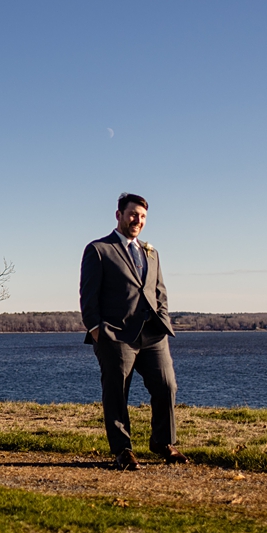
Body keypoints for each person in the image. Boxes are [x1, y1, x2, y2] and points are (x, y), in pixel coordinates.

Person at [79, 193, 187, 470]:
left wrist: (163, 319)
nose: (138, 220)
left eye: (143, 217)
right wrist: (96, 331)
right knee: (117, 393)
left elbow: (159, 291)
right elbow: (88, 295)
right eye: (133, 214)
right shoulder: (99, 250)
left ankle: (163, 443)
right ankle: (123, 450)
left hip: (153, 334)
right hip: (115, 335)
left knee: (166, 386)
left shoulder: (151, 252)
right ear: (119, 215)